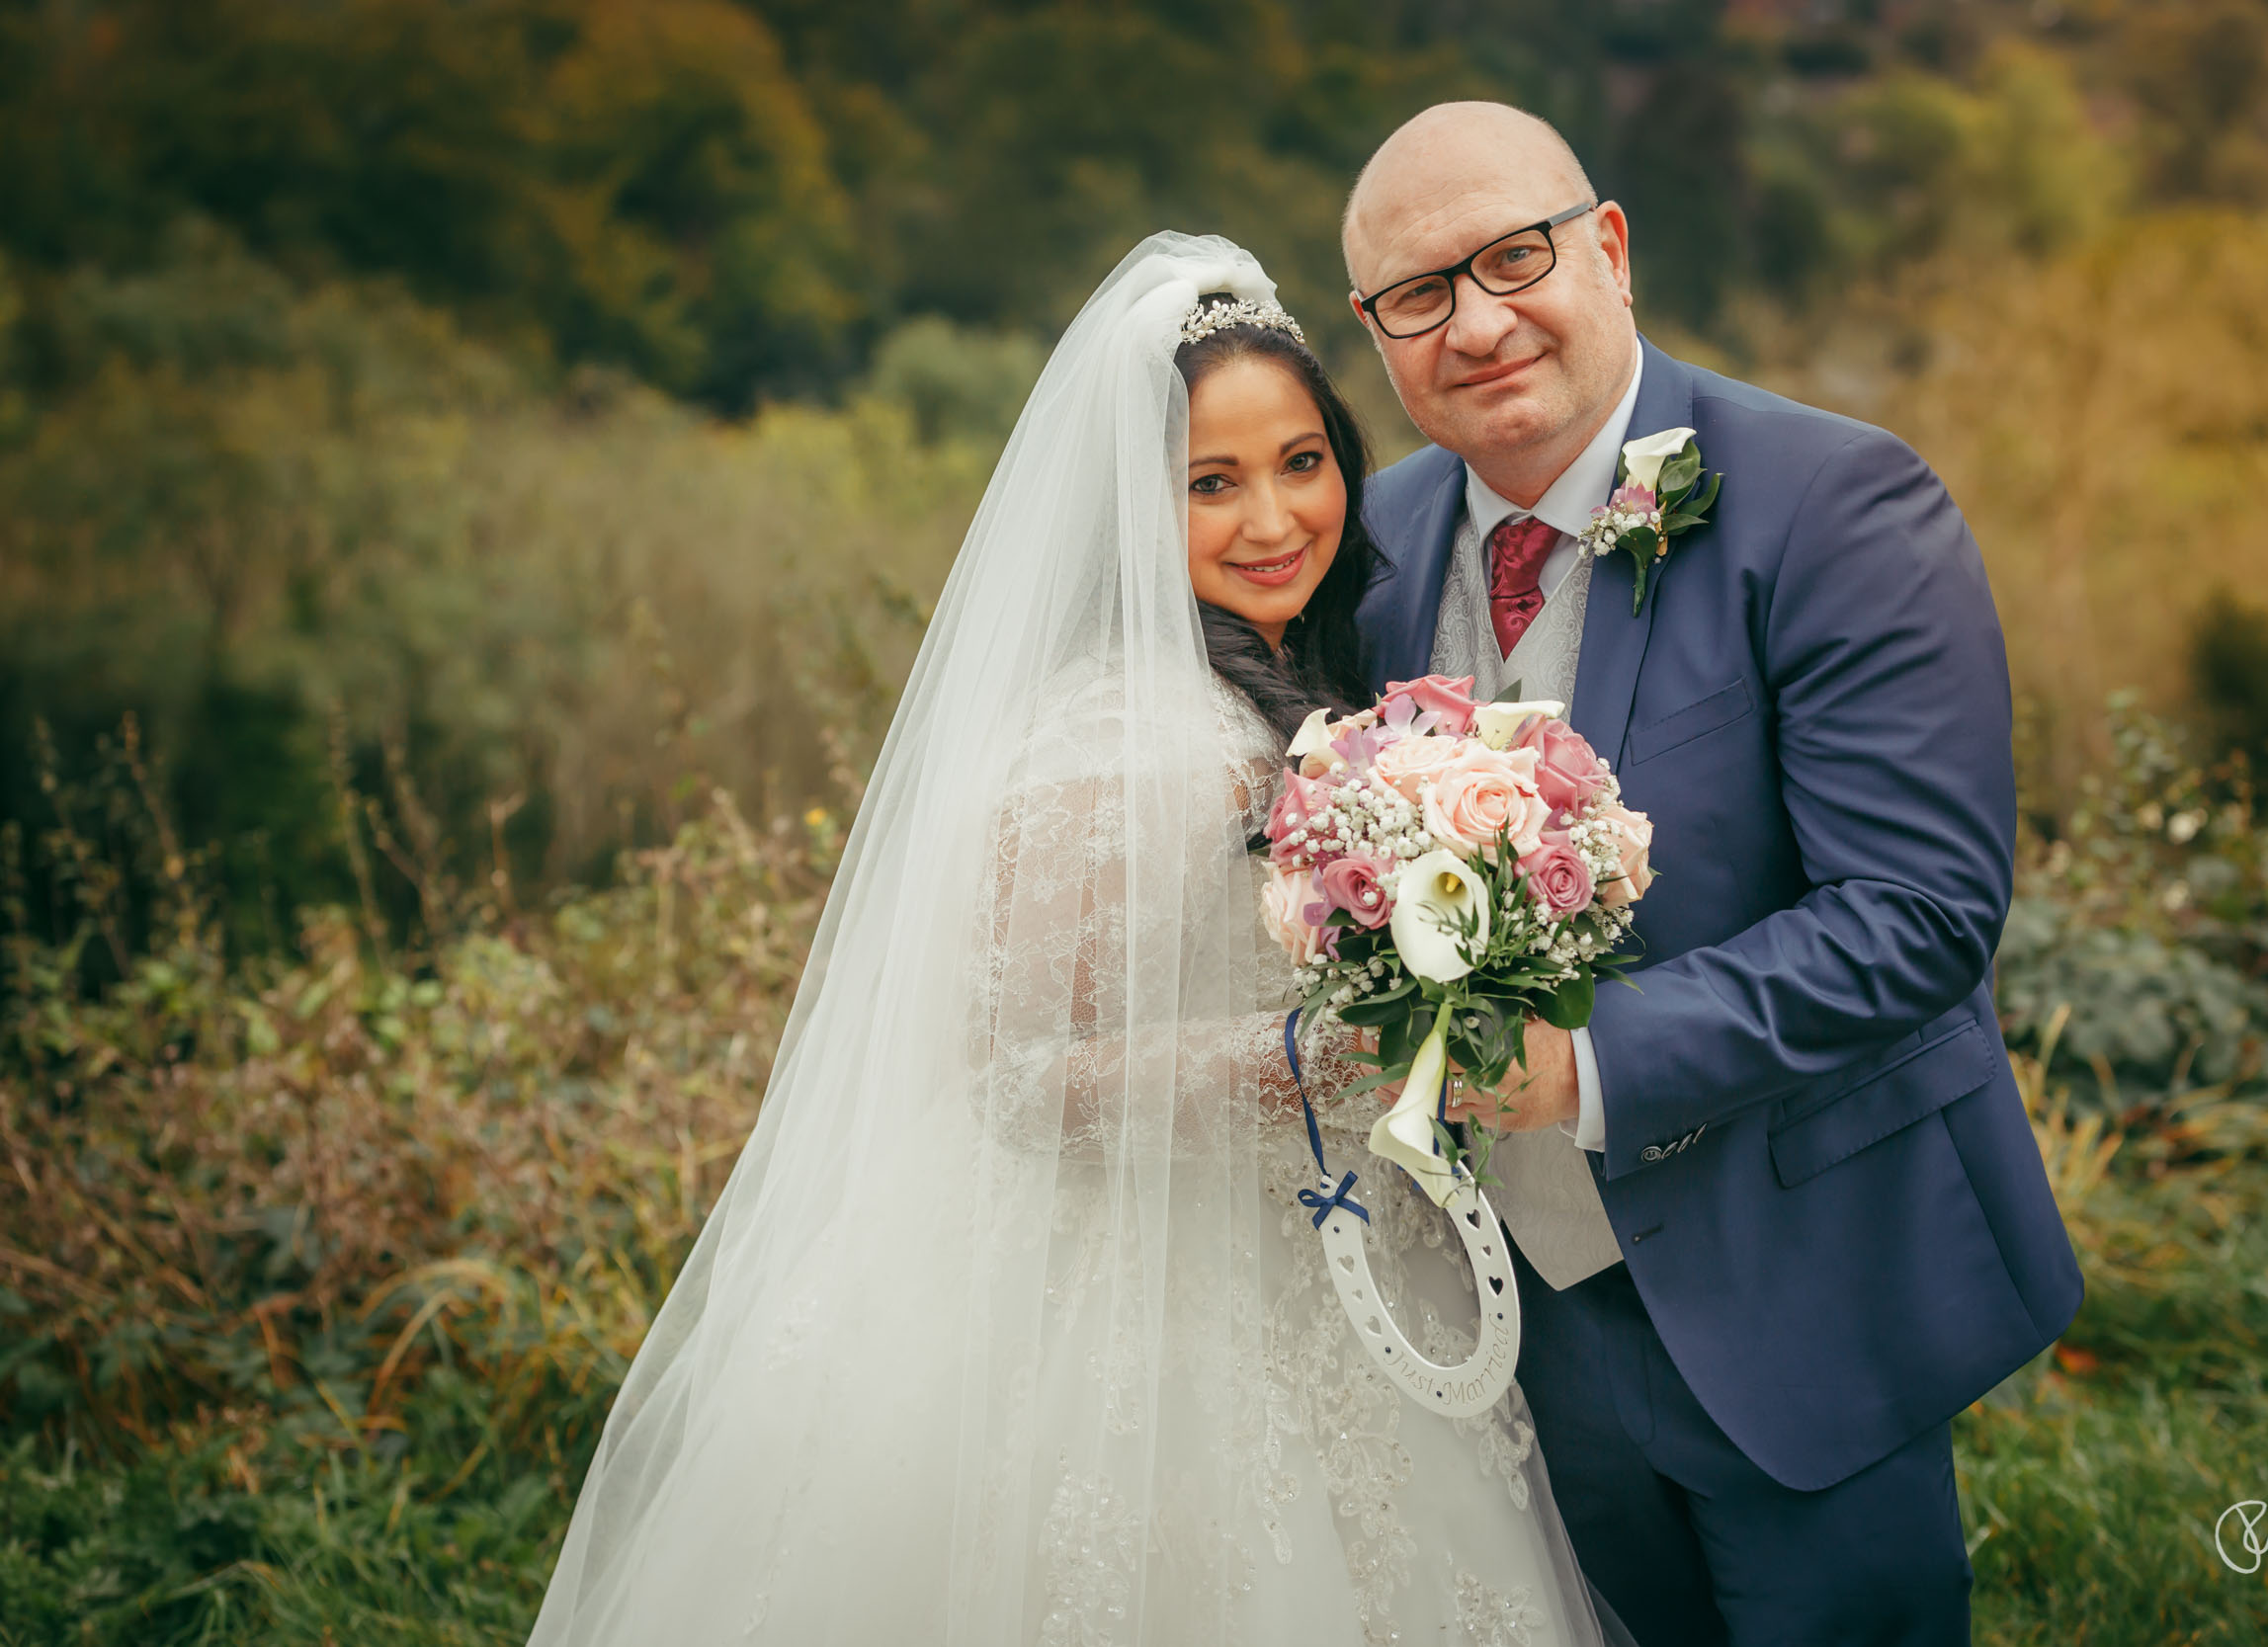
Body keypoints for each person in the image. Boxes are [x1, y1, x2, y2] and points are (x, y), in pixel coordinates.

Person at [526, 234, 1613, 1646]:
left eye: (1301, 461)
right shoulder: (1110, 742)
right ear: (1125, 512)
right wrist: (1317, 1053)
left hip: (1336, 1272)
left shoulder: (1287, 687)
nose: (1275, 518)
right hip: (1151, 1321)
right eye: (1208, 485)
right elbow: (1020, 1075)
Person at [1346, 103, 2086, 1645]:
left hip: (1800, 1288)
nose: (1476, 322)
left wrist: (1588, 1065)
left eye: (1514, 256)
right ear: (1376, 331)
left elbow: (1919, 916)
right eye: (1419, 294)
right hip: (1508, 1315)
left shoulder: (1837, 504)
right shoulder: (1380, 536)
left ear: (1609, 249)